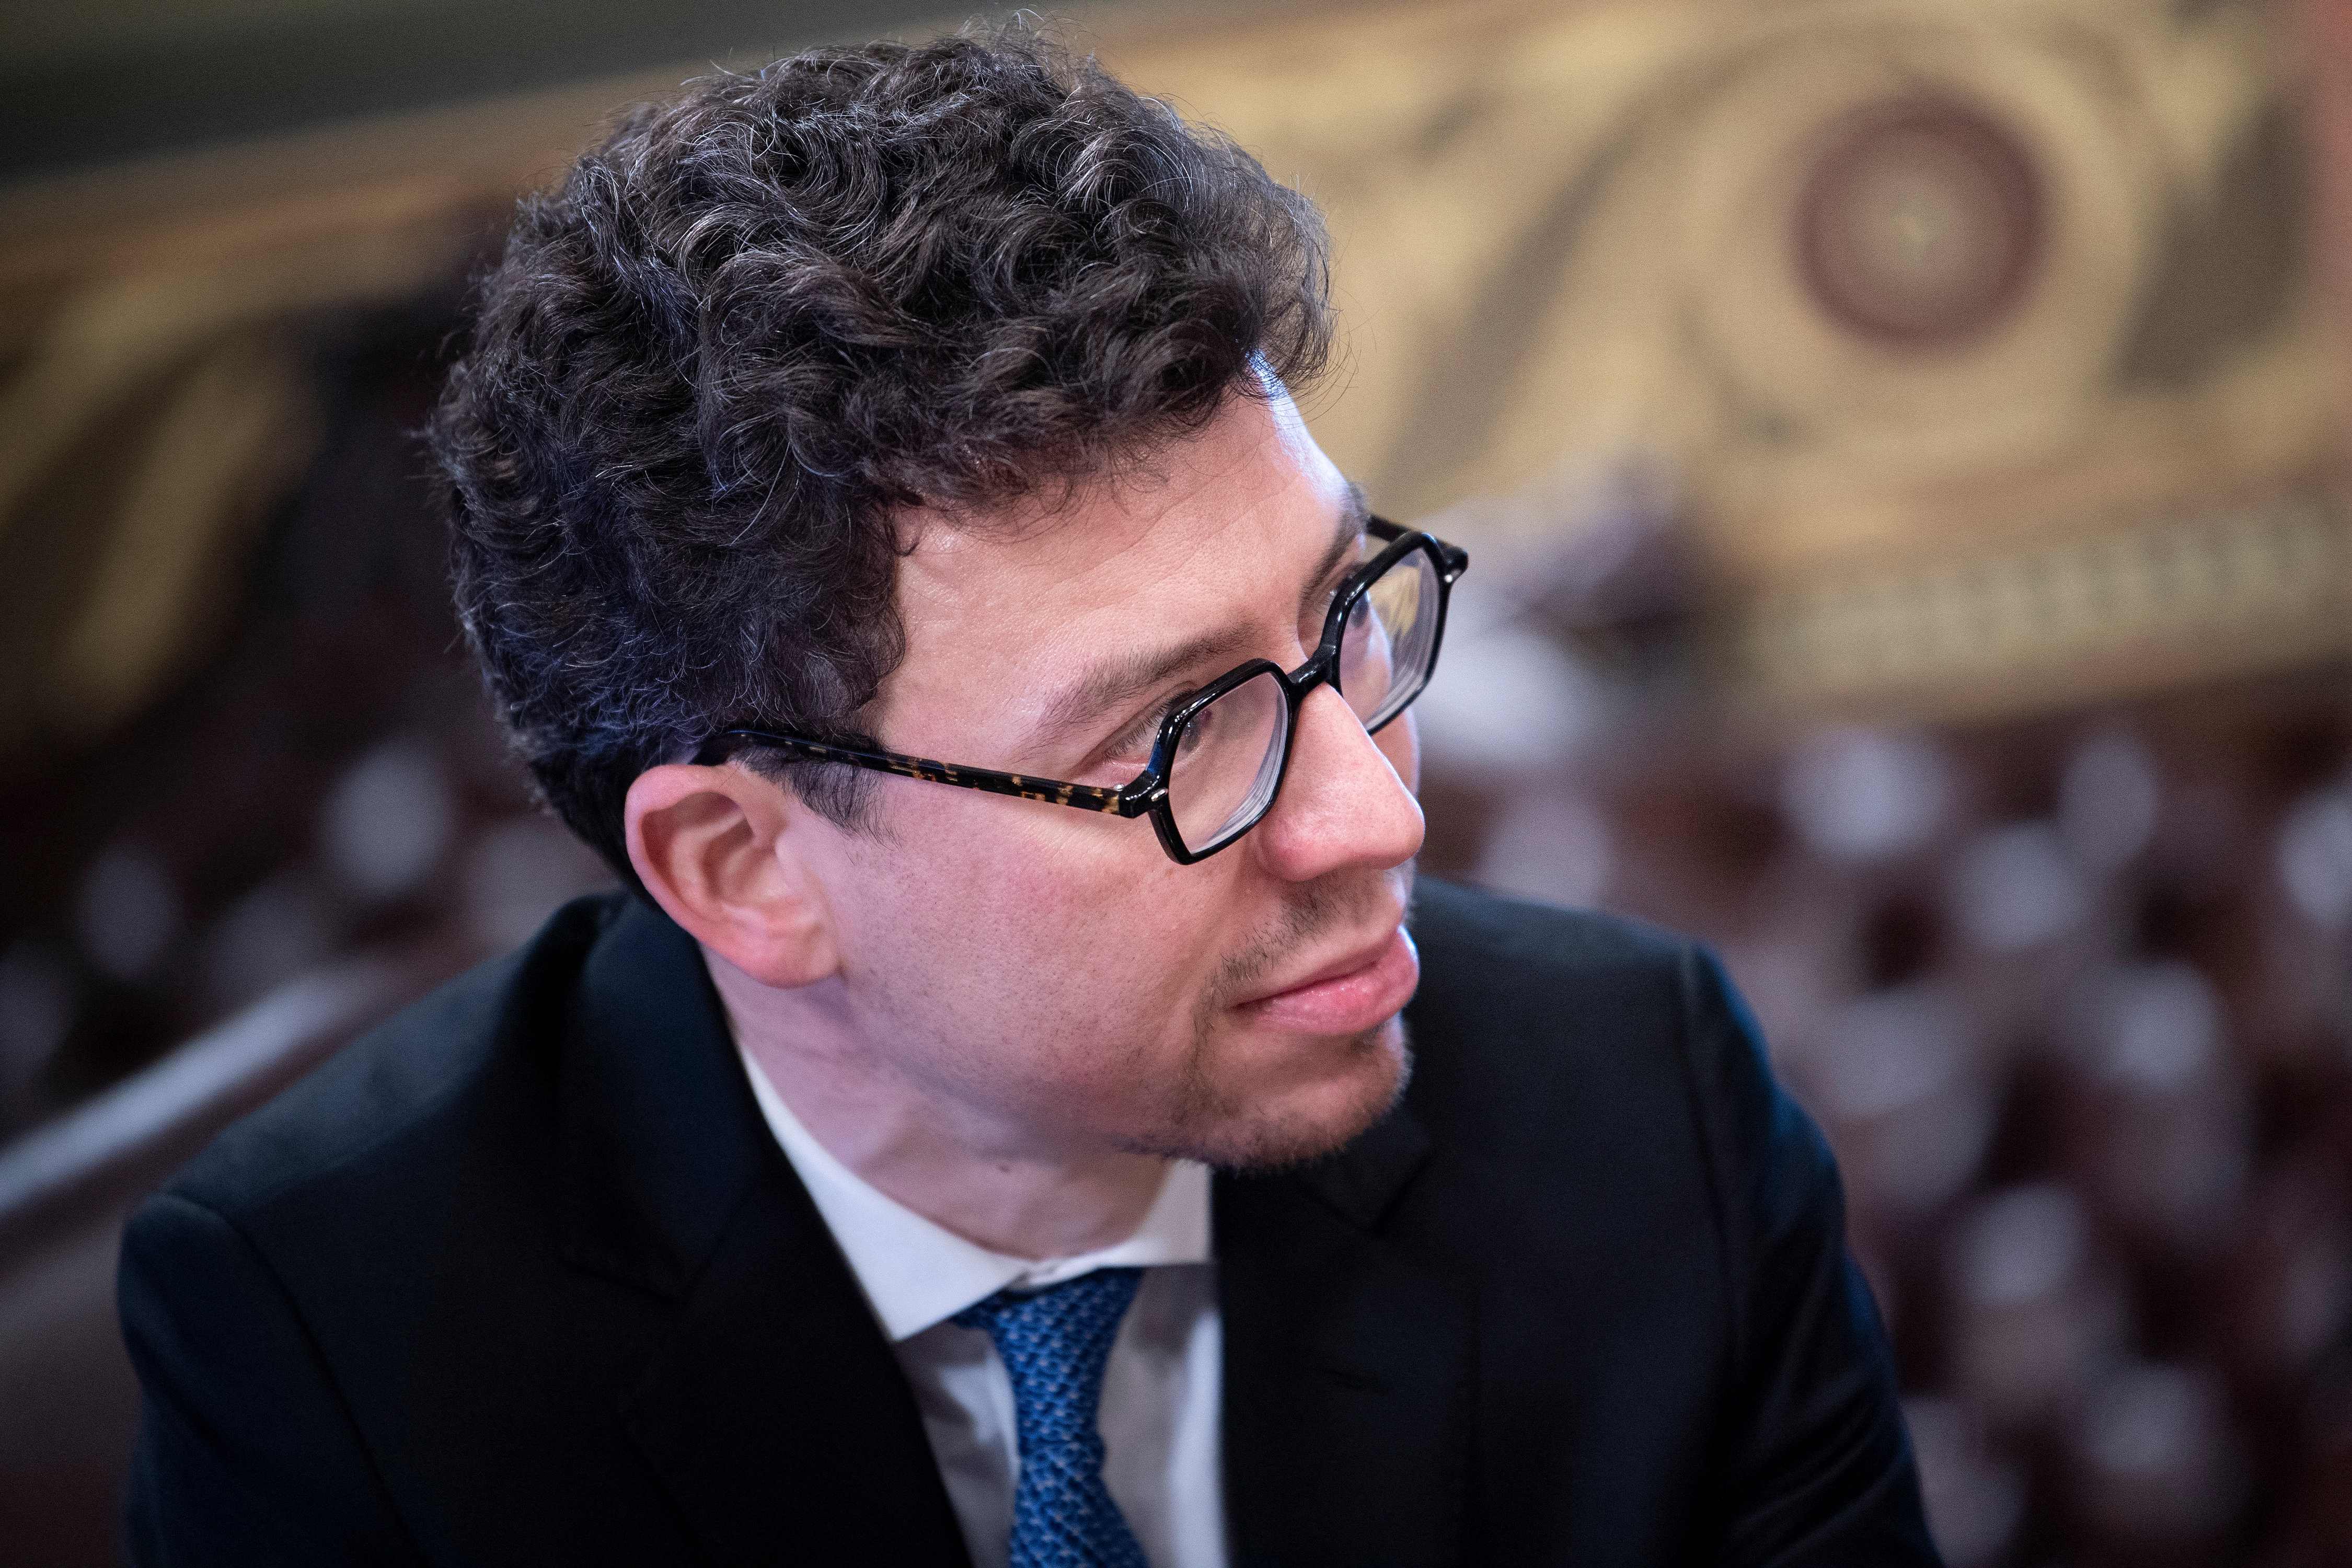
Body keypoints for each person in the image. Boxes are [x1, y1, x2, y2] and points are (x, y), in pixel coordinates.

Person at [116, 26, 1938, 1567]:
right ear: (746, 866)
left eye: (1339, 622)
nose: (1379, 823)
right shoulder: (335, 1338)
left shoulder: (1636, 1108)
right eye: (1169, 741)